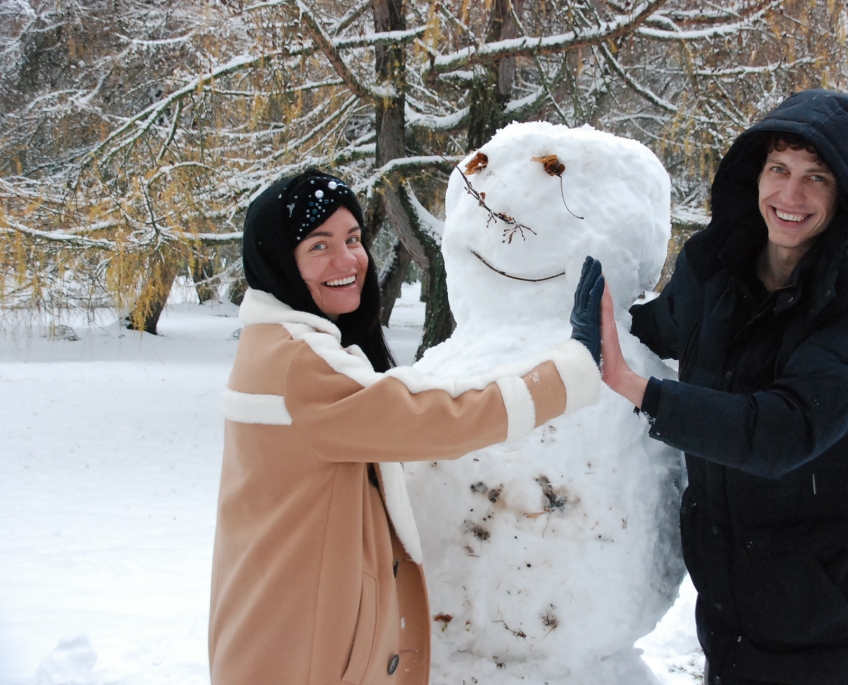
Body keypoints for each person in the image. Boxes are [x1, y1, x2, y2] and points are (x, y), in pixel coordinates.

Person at [208, 168, 605, 685]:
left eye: (353, 239)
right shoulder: (300, 366)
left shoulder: (272, 344)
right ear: (281, 260)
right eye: (319, 246)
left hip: (272, 628)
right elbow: (440, 418)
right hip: (305, 653)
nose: (347, 260)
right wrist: (568, 372)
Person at [600, 90, 848, 684]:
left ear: (845, 192)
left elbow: (784, 430)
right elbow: (656, 328)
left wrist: (642, 390)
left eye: (816, 178)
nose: (790, 196)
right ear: (756, 174)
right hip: (729, 611)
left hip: (835, 624)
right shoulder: (715, 264)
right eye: (779, 169)